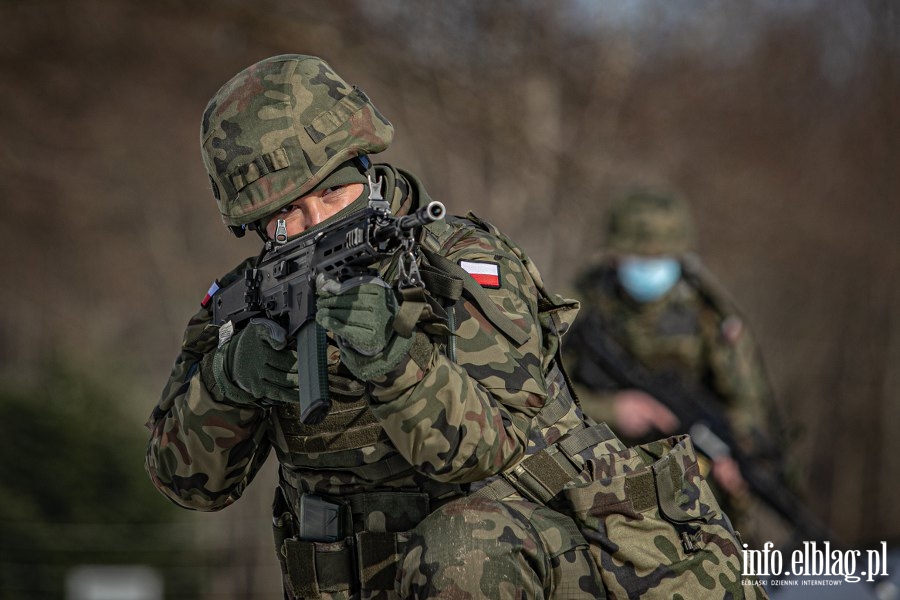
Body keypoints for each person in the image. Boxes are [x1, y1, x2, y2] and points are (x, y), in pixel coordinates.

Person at [145, 55, 764, 599]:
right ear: (253, 223)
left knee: (466, 546)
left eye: (333, 195)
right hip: (367, 579)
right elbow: (188, 484)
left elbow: (486, 447)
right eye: (287, 217)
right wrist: (226, 382)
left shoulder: (458, 263)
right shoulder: (243, 304)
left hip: (558, 560)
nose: (313, 224)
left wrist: (395, 363)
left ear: (364, 166)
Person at [564, 187, 787, 547]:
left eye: (661, 257)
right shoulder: (579, 304)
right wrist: (613, 409)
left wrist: (735, 454)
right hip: (600, 460)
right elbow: (542, 388)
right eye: (638, 256)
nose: (650, 268)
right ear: (613, 256)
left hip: (689, 465)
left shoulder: (707, 314)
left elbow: (744, 399)